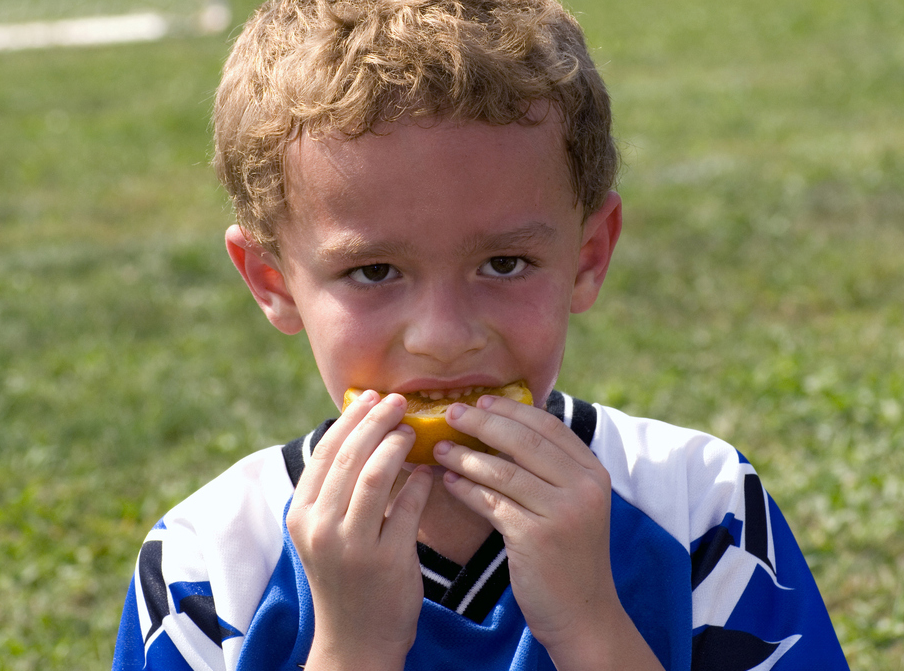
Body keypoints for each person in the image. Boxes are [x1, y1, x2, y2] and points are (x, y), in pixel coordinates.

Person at [111, 1, 849, 669]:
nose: (444, 337)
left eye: (504, 263)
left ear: (587, 257)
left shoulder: (699, 507)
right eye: (373, 271)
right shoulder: (206, 568)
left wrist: (592, 625)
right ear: (273, 281)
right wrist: (352, 646)